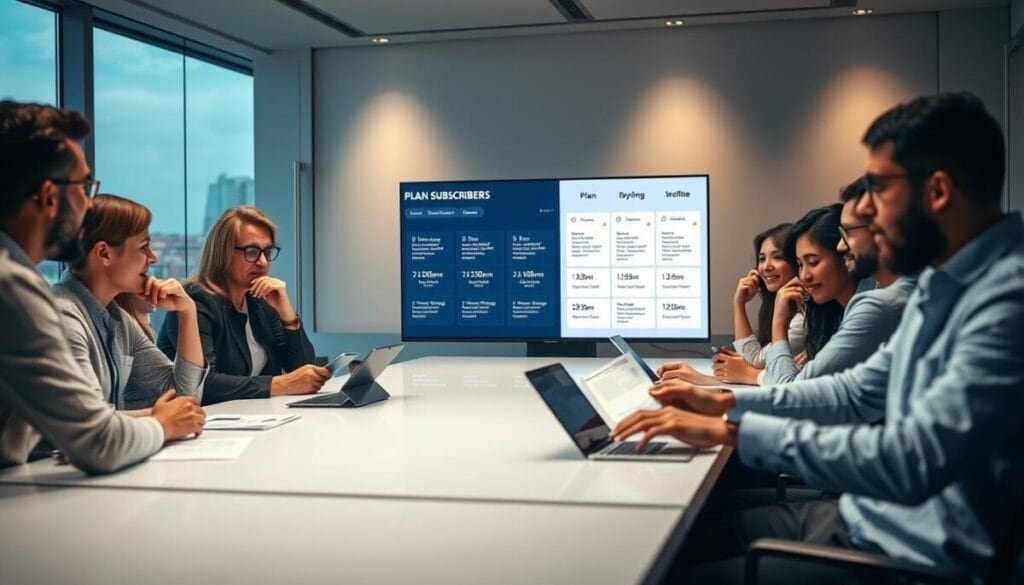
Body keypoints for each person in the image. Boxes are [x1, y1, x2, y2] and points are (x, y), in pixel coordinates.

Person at [611, 93, 1023, 582]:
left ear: (937, 192)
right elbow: (855, 391)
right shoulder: (944, 281)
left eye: (879, 189)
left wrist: (730, 432)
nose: (864, 213)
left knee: (661, 570)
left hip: (903, 559)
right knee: (671, 538)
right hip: (863, 519)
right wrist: (725, 406)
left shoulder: (1005, 303)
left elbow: (912, 461)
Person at [0, 100, 205, 473]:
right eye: (84, 187)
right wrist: (160, 423)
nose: (89, 205)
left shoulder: (113, 317)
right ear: (49, 196)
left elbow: (178, 397)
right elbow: (98, 442)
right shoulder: (14, 287)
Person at [158, 206, 329, 404]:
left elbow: (302, 371)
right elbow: (204, 384)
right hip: (203, 421)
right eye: (252, 251)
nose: (263, 262)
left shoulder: (259, 300)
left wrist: (287, 315)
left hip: (251, 417)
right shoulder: (195, 300)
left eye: (267, 251)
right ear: (222, 253)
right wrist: (280, 384)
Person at [52, 194, 206, 411]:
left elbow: (182, 395)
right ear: (104, 253)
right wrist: (156, 419)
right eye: (144, 247)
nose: (153, 257)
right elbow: (88, 422)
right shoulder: (64, 317)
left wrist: (187, 311)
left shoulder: (117, 320)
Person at [757, 180, 917, 385]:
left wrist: (779, 325)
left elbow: (789, 389)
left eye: (813, 262)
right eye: (799, 264)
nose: (804, 275)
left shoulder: (876, 306)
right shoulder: (835, 313)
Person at [660, 223, 805, 383]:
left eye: (777, 257)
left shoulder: (803, 317)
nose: (766, 267)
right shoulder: (783, 307)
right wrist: (700, 378)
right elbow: (759, 366)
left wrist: (739, 304)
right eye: (762, 259)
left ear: (796, 262)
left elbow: (756, 361)